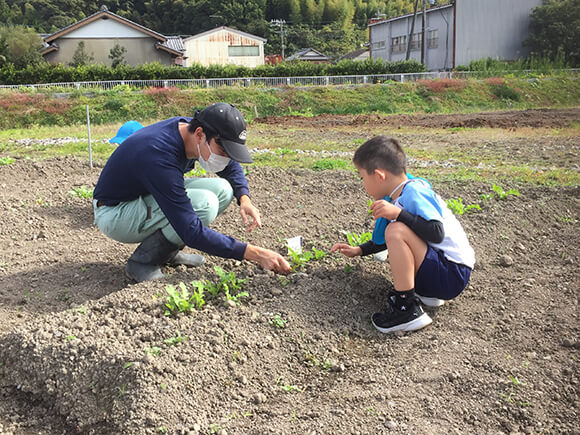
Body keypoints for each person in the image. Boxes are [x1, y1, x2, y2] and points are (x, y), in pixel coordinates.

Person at [93, 102, 291, 282]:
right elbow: (191, 231)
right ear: (199, 135)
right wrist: (256, 254)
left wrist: (244, 198)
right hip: (115, 213)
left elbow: (230, 167)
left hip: (143, 194)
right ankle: (142, 262)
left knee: (223, 190)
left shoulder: (195, 129)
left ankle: (167, 252)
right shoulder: (159, 154)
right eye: (222, 152)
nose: (224, 159)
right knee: (204, 204)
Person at [331, 136, 475, 333]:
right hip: (442, 273)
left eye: (362, 177)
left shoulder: (413, 192)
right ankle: (426, 295)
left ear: (379, 176)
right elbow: (386, 241)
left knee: (396, 230)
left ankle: (406, 309)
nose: (362, 183)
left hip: (451, 273)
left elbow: (436, 232)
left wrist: (398, 214)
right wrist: (358, 250)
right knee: (396, 230)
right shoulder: (397, 195)